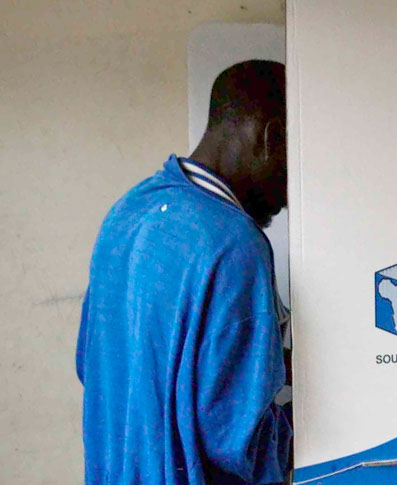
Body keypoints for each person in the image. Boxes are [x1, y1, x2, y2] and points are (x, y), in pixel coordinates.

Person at [76, 60, 291, 484]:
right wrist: (314, 421)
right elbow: (236, 438)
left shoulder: (127, 213)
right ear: (272, 138)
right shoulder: (235, 244)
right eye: (297, 160)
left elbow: (97, 363)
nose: (290, 191)